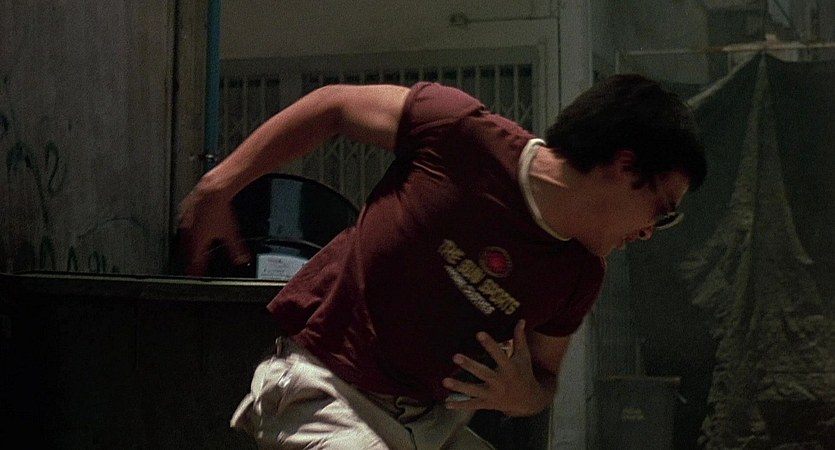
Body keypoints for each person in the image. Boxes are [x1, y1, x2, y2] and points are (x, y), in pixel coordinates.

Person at [176, 74, 706, 449]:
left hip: (432, 427)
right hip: (328, 390)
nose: (648, 232)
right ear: (623, 166)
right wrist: (220, 186)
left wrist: (522, 395)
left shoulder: (580, 273)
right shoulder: (459, 133)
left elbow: (544, 378)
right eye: (661, 210)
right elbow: (333, 105)